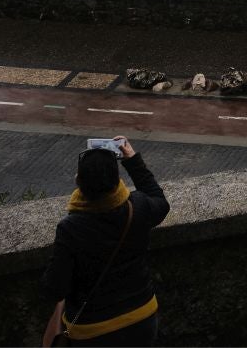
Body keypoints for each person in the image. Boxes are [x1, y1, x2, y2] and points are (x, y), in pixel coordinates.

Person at [42, 136, 170, 346]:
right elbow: (159, 201)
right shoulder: (136, 208)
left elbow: (54, 288)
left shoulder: (71, 228)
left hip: (93, 331)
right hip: (142, 317)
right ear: (116, 181)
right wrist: (132, 160)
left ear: (78, 181)